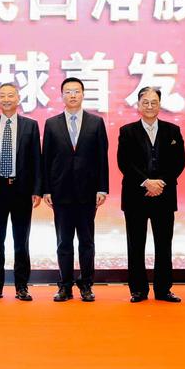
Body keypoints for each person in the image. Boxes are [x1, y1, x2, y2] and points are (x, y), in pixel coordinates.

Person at [42, 77, 109, 302]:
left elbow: (102, 157)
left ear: (83, 94)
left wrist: (102, 188)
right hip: (60, 192)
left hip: (87, 192)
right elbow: (46, 158)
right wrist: (46, 189)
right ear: (62, 95)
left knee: (86, 241)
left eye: (76, 91)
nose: (72, 95)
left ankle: (86, 285)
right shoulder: (51, 123)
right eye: (68, 91)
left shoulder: (96, 122)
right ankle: (65, 286)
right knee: (64, 242)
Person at [116, 87, 185, 303]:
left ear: (159, 105)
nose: (149, 106)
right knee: (135, 245)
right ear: (138, 105)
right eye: (145, 102)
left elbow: (178, 162)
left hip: (164, 195)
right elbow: (124, 163)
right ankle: (138, 290)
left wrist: (160, 182)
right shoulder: (127, 131)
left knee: (164, 245)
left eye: (153, 102)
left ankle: (163, 289)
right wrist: (146, 182)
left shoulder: (173, 131)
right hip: (135, 196)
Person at [0, 83, 42, 301]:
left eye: (10, 95)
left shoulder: (30, 126)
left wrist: (37, 190)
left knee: (21, 241)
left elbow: (36, 159)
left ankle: (22, 286)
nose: (6, 99)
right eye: (2, 95)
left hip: (22, 190)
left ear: (18, 99)